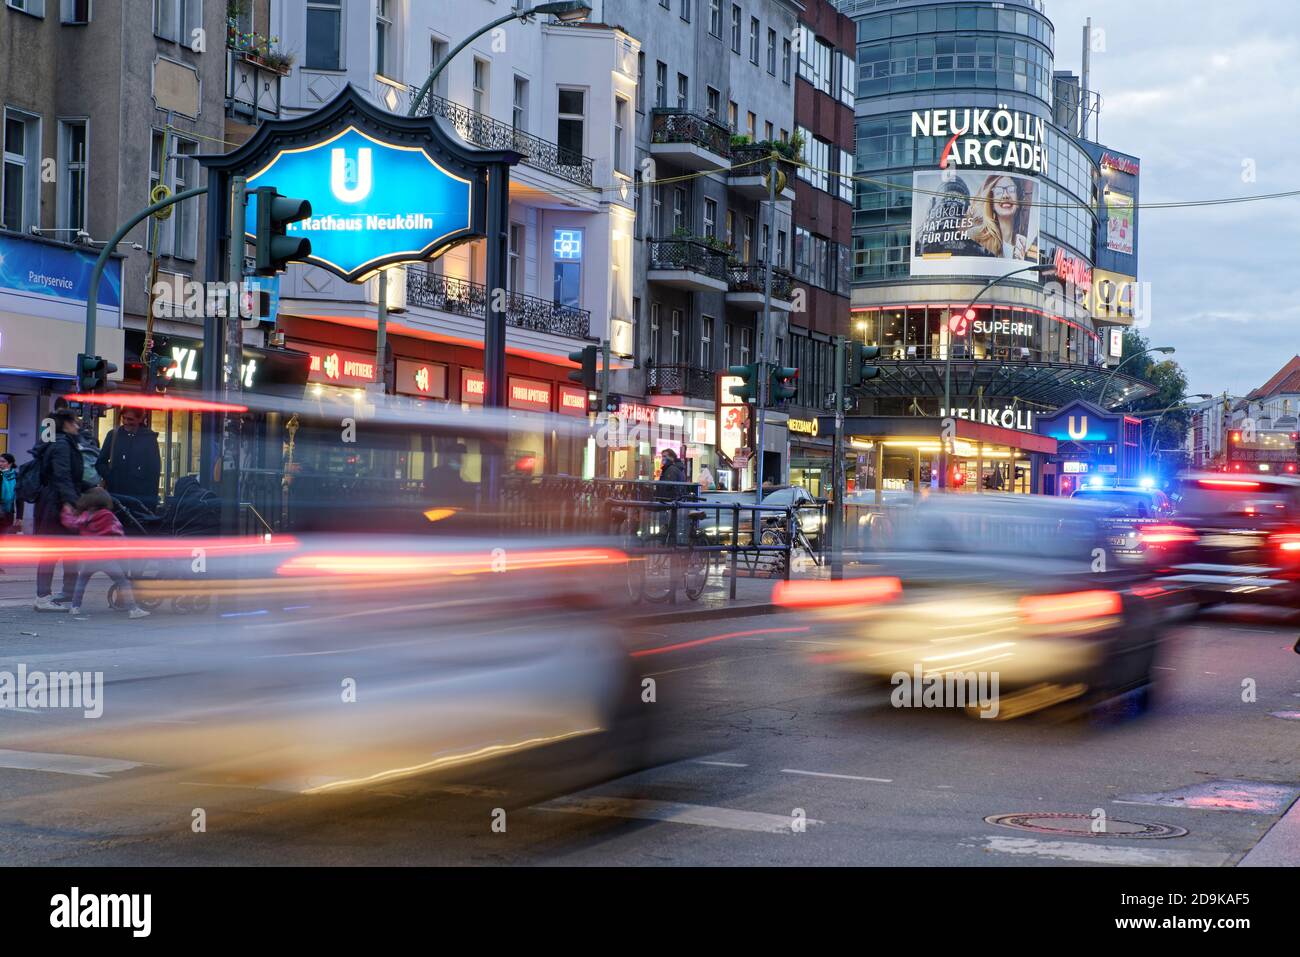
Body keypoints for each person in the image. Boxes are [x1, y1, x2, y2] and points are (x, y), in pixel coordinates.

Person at [60, 487, 149, 618]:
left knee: (81, 582)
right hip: (106, 558)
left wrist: (66, 511)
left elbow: (72, 523)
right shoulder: (108, 516)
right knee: (123, 582)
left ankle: (75, 607)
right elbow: (118, 532)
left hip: (88, 557)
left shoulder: (85, 516)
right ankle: (133, 609)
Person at [33, 409, 90, 611]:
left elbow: (69, 478)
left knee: (69, 552)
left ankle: (66, 592)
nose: (78, 425)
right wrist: (70, 503)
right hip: (56, 505)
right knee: (54, 552)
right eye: (75, 422)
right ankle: (44, 597)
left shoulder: (63, 443)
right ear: (65, 424)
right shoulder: (62, 445)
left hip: (56, 501)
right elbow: (62, 476)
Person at [96, 407, 162, 511]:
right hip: (116, 494)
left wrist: (151, 501)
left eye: (130, 419)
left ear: (140, 419)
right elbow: (100, 462)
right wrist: (111, 477)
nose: (126, 422)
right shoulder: (114, 435)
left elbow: (154, 471)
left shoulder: (149, 438)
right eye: (124, 418)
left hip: (139, 496)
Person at [971, 174, 1036, 261]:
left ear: (1018, 200)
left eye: (1011, 190)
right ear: (992, 204)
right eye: (998, 191)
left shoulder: (1024, 245)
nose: (1005, 195)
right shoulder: (976, 236)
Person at [1, 452, 19, 532]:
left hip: (9, 512)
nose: (0, 463)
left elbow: (20, 498)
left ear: (10, 463)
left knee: (6, 538)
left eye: (3, 461)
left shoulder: (17, 476)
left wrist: (20, 517)